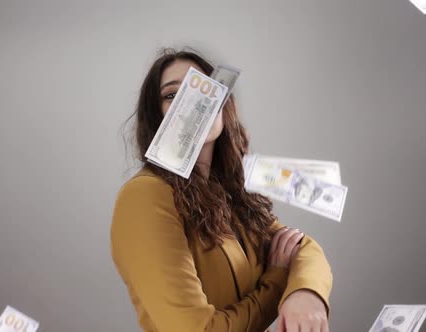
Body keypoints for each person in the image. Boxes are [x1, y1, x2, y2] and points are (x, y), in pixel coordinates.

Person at [111, 48, 333, 332]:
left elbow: (302, 247)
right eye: (171, 95)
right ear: (157, 118)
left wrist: (307, 294)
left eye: (203, 88)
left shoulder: (230, 191)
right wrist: (278, 282)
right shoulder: (145, 196)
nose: (194, 103)